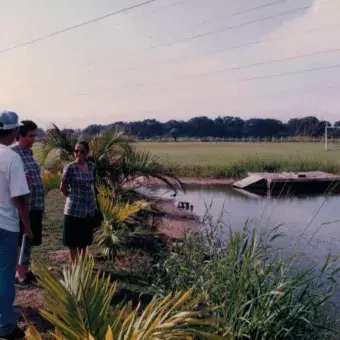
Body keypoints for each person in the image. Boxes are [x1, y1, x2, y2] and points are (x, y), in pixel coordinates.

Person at [0, 111, 33, 339]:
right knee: (4, 276)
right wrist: (28, 228)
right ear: (13, 132)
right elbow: (19, 197)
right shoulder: (11, 157)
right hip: (6, 226)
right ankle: (6, 326)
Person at [12, 121, 44, 284]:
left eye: (34, 135)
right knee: (19, 239)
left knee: (28, 238)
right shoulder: (12, 153)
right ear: (20, 136)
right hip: (21, 206)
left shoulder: (29, 153)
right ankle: (19, 273)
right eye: (31, 136)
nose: (34, 139)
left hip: (35, 203)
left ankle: (23, 269)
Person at [60, 141, 97, 262]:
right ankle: (75, 266)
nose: (78, 154)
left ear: (87, 153)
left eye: (81, 151)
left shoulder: (92, 166)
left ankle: (83, 265)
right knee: (72, 242)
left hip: (87, 210)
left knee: (84, 241)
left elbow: (93, 184)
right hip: (73, 210)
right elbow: (63, 187)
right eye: (76, 151)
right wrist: (71, 197)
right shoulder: (70, 167)